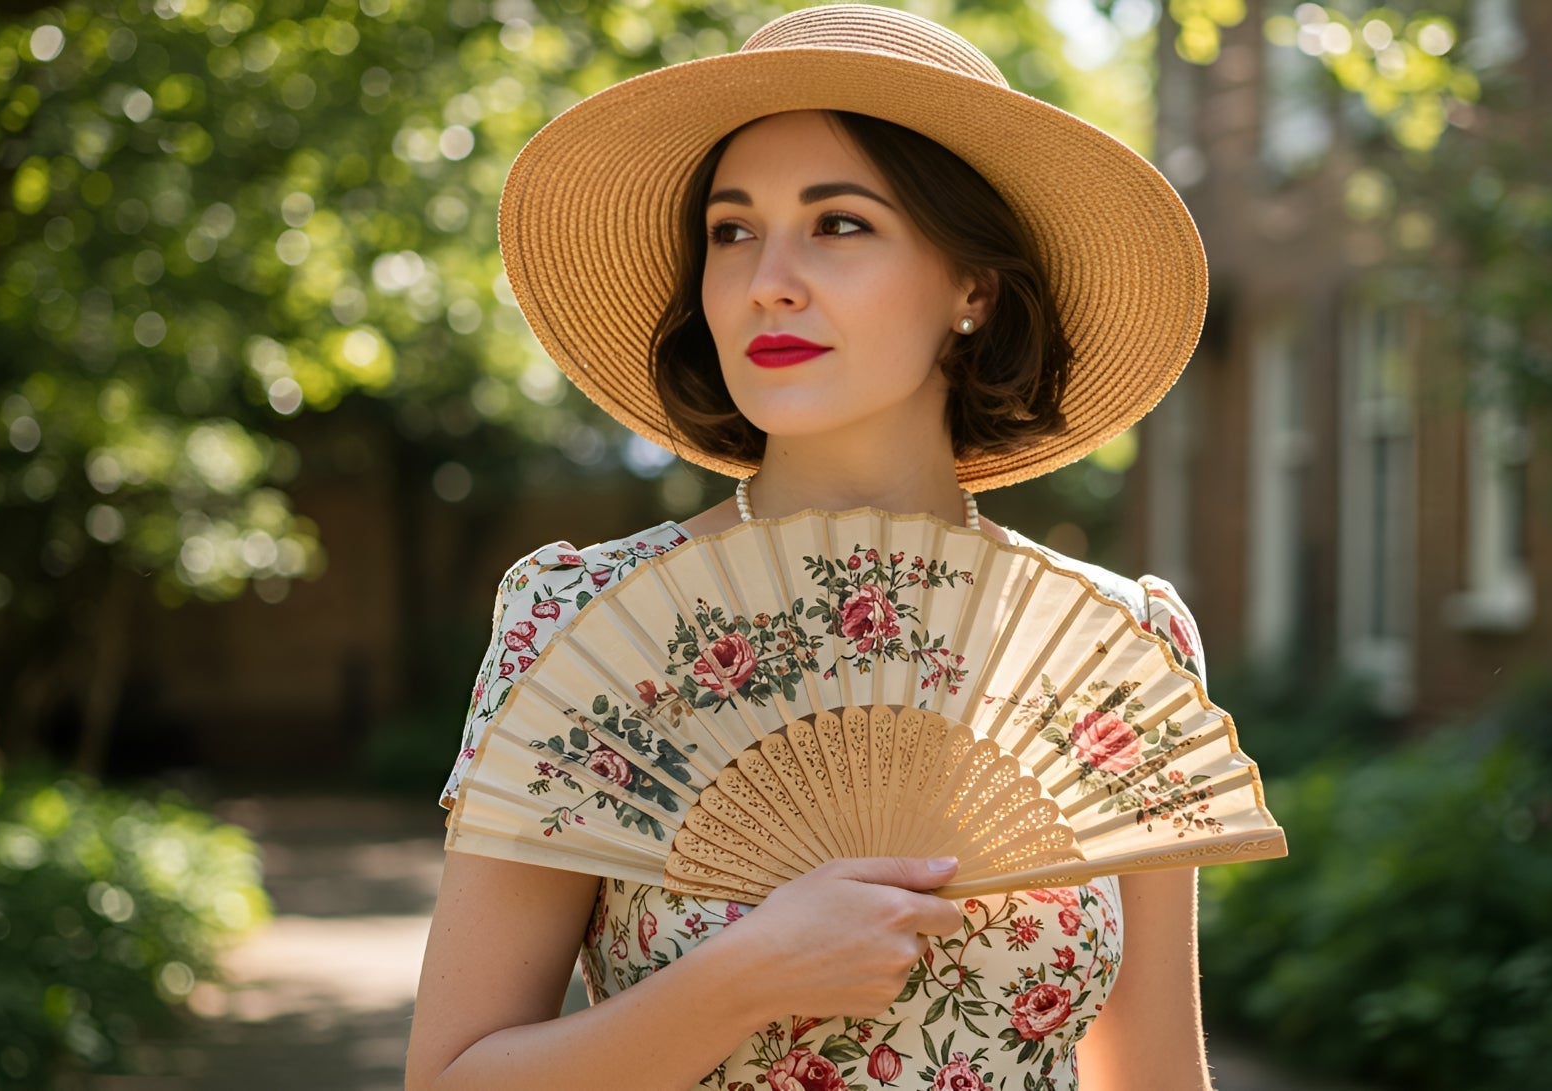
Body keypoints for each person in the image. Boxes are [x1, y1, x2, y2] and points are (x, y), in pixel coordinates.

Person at [406, 6, 1214, 1090]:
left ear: (971, 288)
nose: (765, 278)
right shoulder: (585, 619)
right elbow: (451, 1077)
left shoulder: (1117, 644)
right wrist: (745, 974)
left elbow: (1156, 1074)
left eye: (838, 224)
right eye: (731, 230)